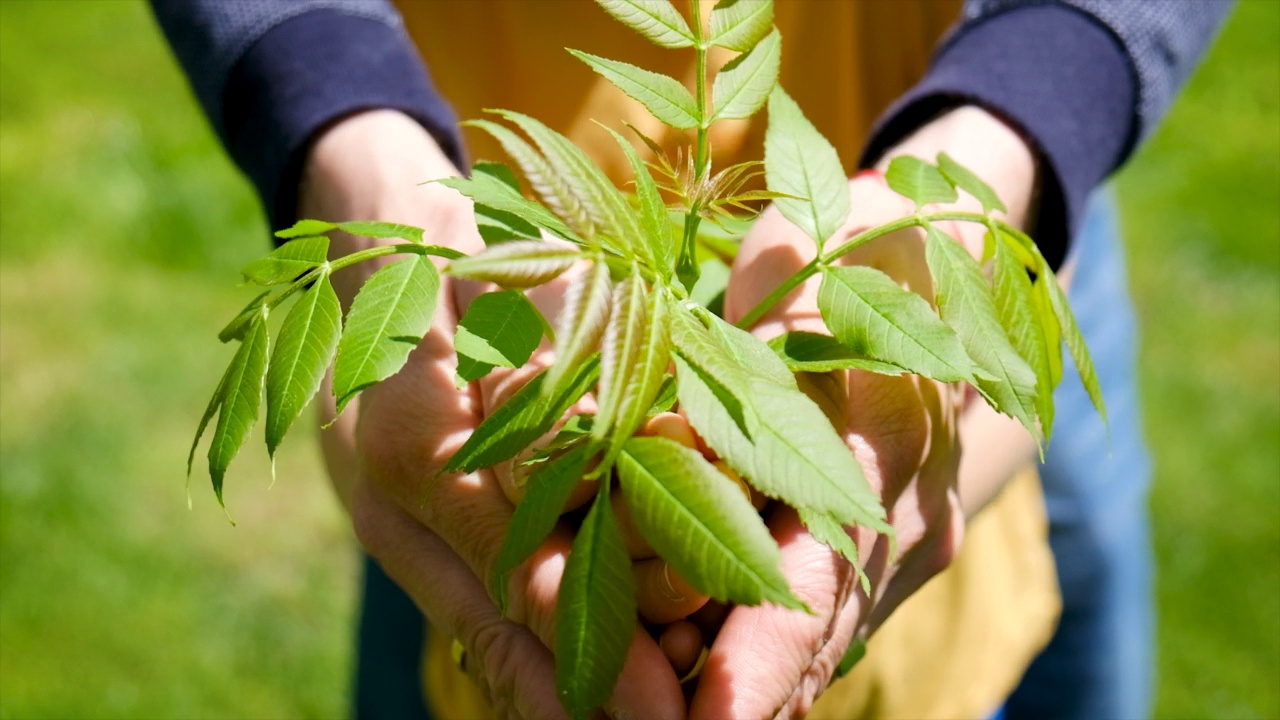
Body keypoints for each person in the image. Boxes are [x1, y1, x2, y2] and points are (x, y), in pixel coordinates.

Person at [150, 1, 1231, 718]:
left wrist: (1030, 113)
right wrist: (347, 139)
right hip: (473, 332)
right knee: (479, 547)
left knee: (1043, 568)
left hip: (970, 198)